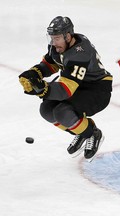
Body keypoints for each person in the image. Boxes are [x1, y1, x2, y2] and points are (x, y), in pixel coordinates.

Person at [18, 16, 112, 160]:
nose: (53, 43)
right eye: (51, 38)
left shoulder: (80, 53)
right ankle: (82, 130)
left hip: (97, 89)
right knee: (46, 110)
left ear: (68, 36)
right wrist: (34, 72)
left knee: (62, 112)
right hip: (77, 85)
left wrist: (42, 89)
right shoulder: (60, 45)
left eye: (56, 38)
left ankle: (92, 133)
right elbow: (51, 63)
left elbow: (65, 90)